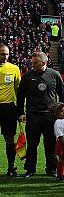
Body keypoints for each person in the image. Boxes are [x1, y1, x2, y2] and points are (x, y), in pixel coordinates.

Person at [17, 51, 64, 178]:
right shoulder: (28, 76)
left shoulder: (54, 75)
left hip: (50, 117)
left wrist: (61, 112)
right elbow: (20, 96)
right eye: (32, 62)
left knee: (50, 144)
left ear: (44, 62)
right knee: (32, 144)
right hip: (33, 115)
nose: (32, 64)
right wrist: (21, 113)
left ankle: (51, 169)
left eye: (35, 63)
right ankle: (30, 169)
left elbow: (62, 95)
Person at [0, 43, 21, 177]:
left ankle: (11, 167)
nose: (5, 56)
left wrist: (20, 110)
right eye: (2, 54)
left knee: (9, 138)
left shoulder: (14, 69)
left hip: (8, 107)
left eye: (7, 54)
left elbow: (18, 90)